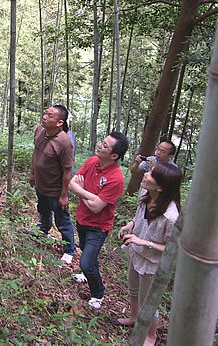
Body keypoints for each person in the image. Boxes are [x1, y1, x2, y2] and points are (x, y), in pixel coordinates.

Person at [116, 163, 181, 345]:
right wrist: (130, 225)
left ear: (160, 187)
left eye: (152, 174)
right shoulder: (145, 196)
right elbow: (138, 218)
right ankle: (133, 318)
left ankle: (150, 336)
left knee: (149, 301)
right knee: (134, 290)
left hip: (153, 264)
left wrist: (144, 242)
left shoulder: (171, 217)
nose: (146, 174)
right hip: (136, 254)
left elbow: (172, 249)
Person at [69, 131, 129, 309]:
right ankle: (85, 275)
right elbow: (72, 184)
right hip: (82, 218)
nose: (100, 146)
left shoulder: (116, 178)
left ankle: (98, 293)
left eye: (105, 146)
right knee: (86, 251)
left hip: (99, 226)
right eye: (102, 142)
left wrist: (81, 192)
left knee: (86, 262)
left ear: (114, 155)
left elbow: (97, 207)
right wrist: (91, 196)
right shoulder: (92, 162)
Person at [27, 105, 75, 264]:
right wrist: (33, 173)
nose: (45, 117)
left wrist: (63, 195)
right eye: (45, 113)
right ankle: (42, 232)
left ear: (60, 122)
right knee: (43, 210)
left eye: (50, 115)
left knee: (62, 221)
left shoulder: (64, 142)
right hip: (41, 186)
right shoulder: (40, 130)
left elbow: (67, 170)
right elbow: (36, 152)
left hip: (56, 191)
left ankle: (69, 250)